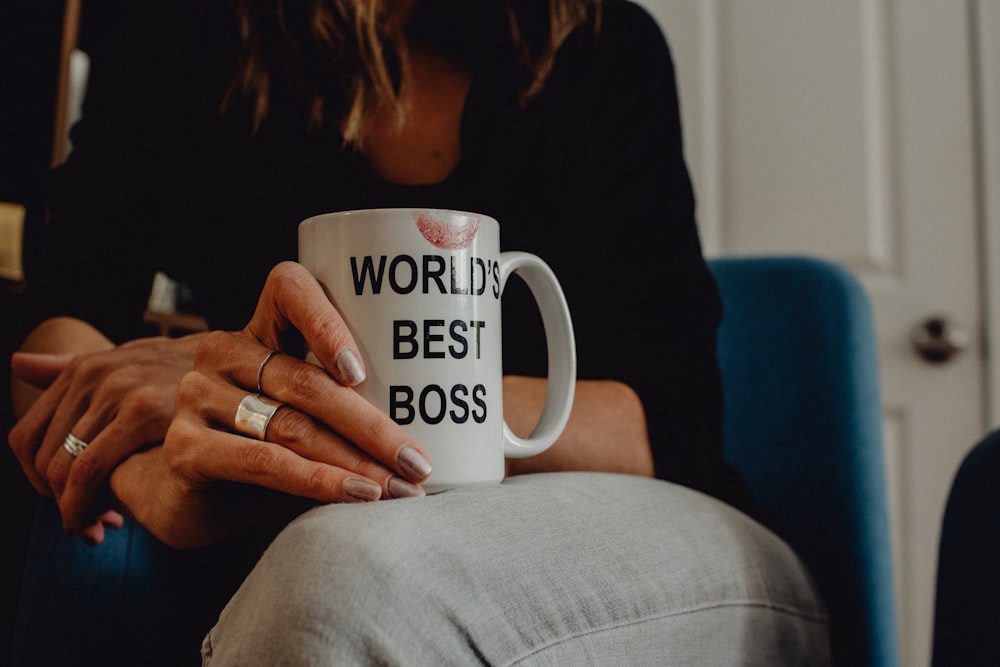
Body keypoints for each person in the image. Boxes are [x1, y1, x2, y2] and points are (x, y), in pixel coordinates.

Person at [8, 1, 830, 664]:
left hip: (653, 529)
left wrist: (266, 379)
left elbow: (669, 428)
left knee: (339, 580)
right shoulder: (185, 33)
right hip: (332, 526)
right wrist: (138, 468)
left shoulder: (602, 43)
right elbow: (60, 329)